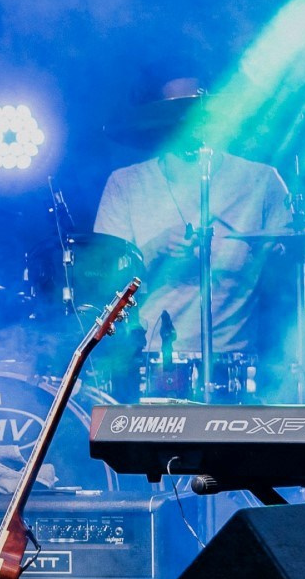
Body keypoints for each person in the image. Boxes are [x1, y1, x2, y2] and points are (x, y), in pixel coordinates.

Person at [93, 78, 292, 377]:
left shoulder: (261, 180)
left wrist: (269, 257)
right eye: (176, 111)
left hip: (236, 361)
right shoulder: (126, 183)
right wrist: (154, 249)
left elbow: (289, 280)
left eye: (197, 110)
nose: (187, 121)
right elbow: (103, 280)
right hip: (151, 359)